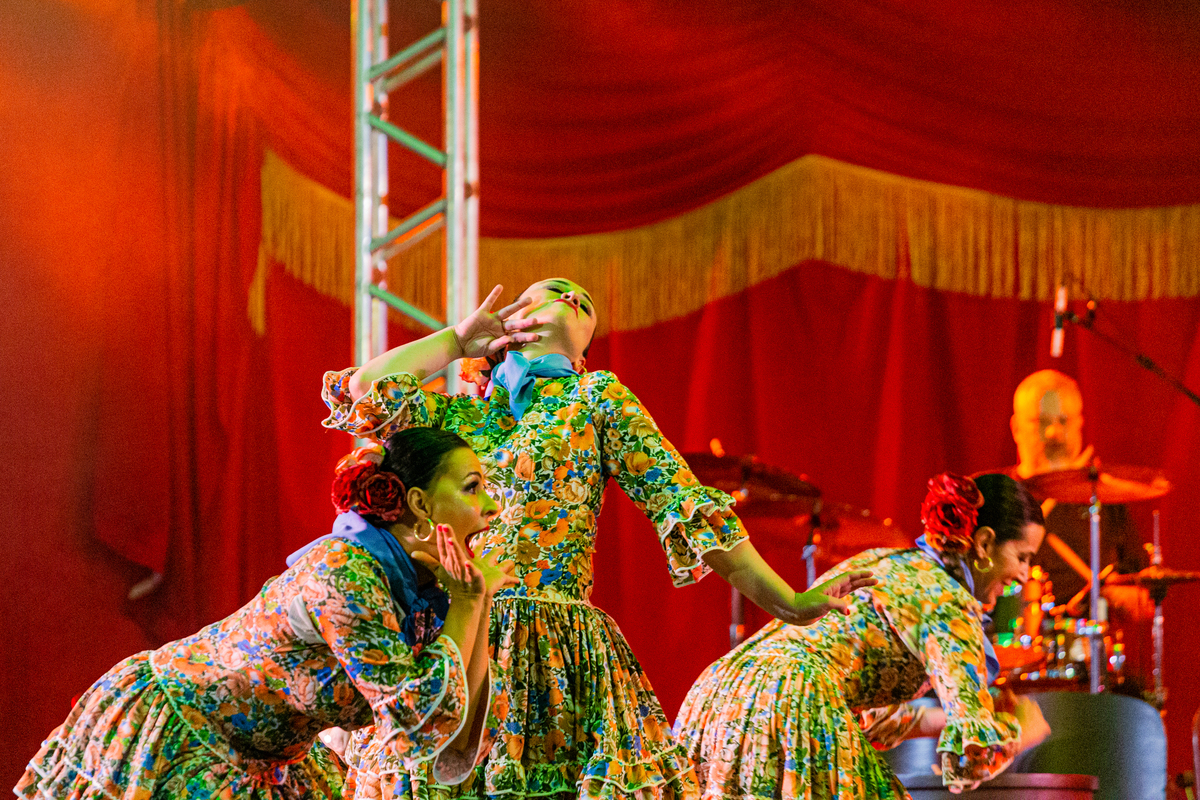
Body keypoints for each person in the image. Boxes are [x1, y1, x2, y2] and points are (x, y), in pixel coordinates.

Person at [320, 279, 877, 800]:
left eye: (583, 297)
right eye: (549, 290)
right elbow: (366, 388)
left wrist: (786, 600)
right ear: (510, 324)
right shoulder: (459, 417)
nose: (571, 294)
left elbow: (682, 502)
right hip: (457, 629)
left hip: (558, 647)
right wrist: (457, 339)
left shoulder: (596, 398)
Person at [16, 426, 515, 800]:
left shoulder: (426, 597)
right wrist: (470, 601)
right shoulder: (345, 572)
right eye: (473, 487)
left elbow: (451, 737)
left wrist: (476, 600)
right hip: (185, 734)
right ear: (419, 503)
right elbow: (417, 719)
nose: (493, 507)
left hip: (270, 766)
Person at [673, 472, 1052, 798]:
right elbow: (973, 755)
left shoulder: (885, 562)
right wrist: (1022, 729)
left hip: (723, 692)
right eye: (1023, 557)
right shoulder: (950, 604)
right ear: (984, 544)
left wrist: (941, 721)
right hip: (794, 695)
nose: (1024, 574)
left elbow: (858, 703)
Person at [1002, 369, 1149, 618]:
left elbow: (1142, 594)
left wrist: (1127, 596)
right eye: (1042, 422)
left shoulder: (1104, 496)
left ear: (1080, 424)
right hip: (1011, 650)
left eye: (1064, 420)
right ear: (1016, 429)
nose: (1054, 433)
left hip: (1090, 646)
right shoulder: (992, 498)